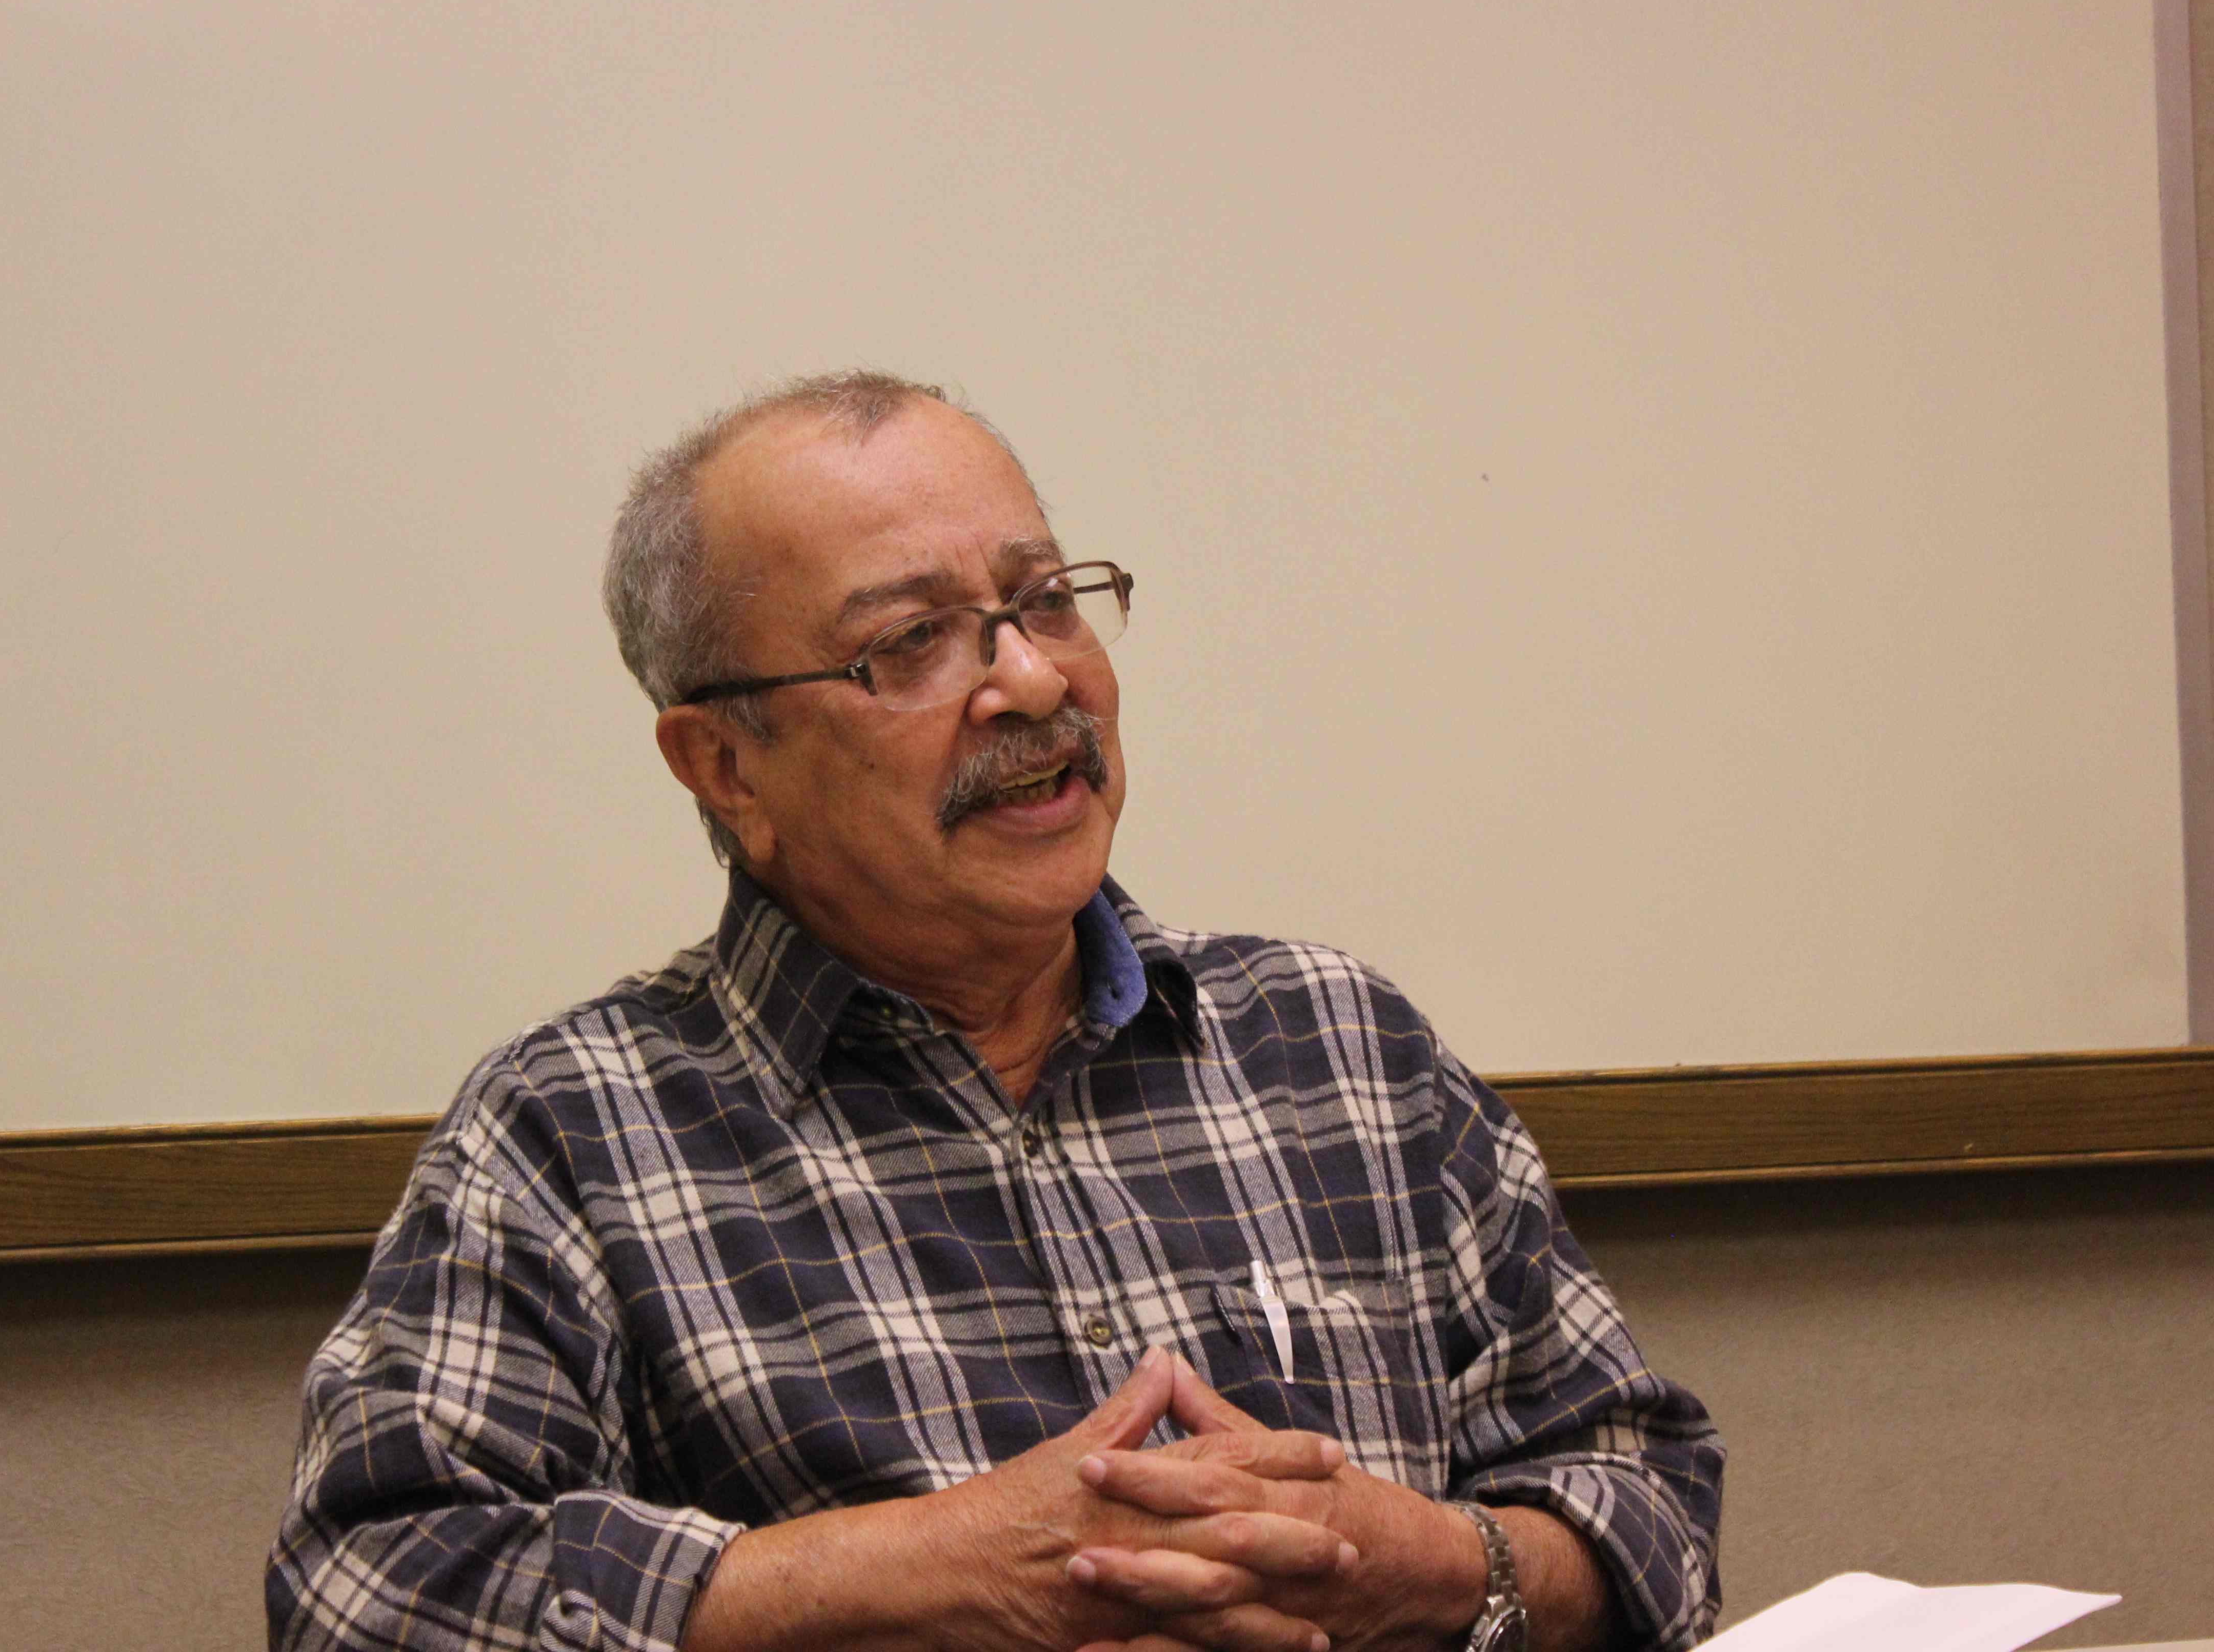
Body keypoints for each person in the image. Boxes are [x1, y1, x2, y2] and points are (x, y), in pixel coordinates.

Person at [267, 372, 1724, 1652]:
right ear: (724, 767)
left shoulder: (1343, 1049)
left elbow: (1647, 1496)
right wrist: (901, 1578)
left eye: (1042, 602)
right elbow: (367, 1590)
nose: (1032, 681)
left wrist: (1430, 1566)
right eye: (910, 645)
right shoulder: (576, 1133)